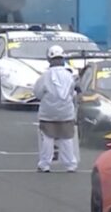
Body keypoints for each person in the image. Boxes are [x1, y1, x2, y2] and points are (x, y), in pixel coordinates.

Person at [33, 45, 79, 173]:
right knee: (66, 138)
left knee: (48, 138)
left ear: (49, 59)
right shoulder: (69, 75)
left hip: (48, 112)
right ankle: (70, 164)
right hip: (66, 112)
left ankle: (45, 164)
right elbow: (71, 93)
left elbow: (37, 93)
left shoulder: (45, 76)